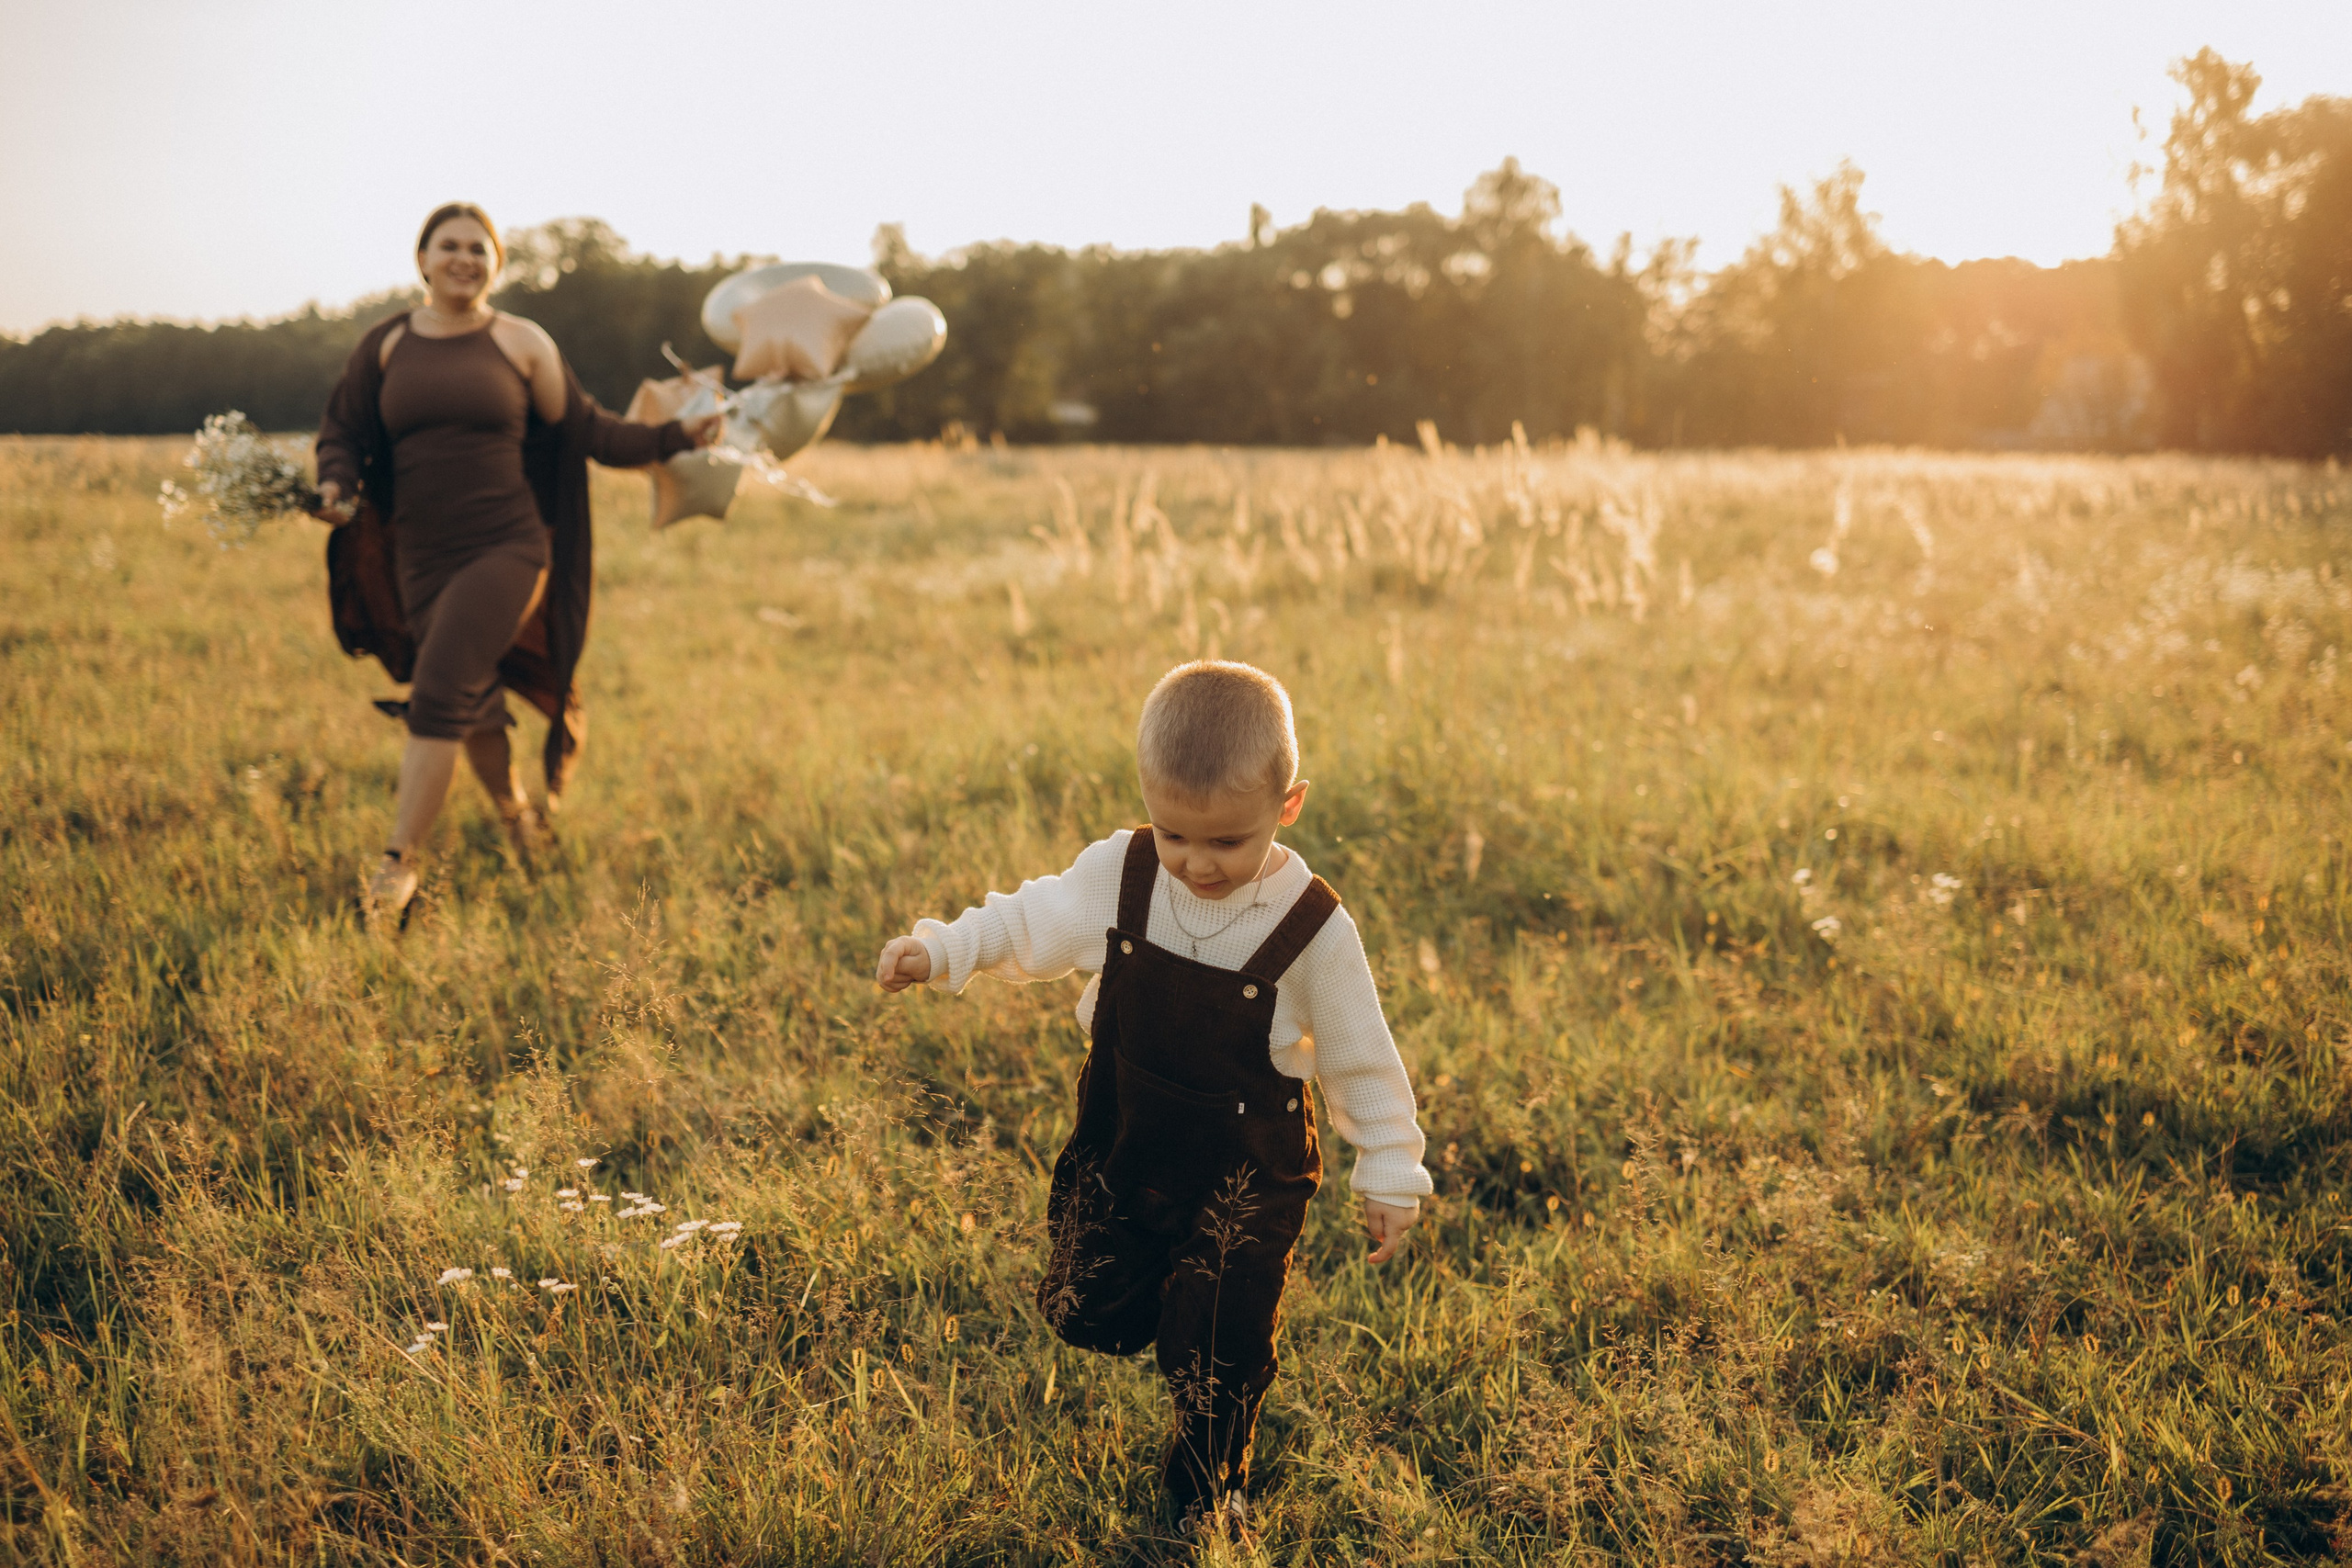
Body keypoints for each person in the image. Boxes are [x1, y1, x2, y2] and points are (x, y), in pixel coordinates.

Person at [874, 660, 1432, 1540]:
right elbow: (1034, 919)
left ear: (1289, 807)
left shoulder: (1311, 925)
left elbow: (1362, 1056)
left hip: (1247, 1170)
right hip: (1128, 1134)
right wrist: (944, 950)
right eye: (1176, 835)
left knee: (1217, 1339)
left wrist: (1391, 1167)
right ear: (1146, 800)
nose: (1197, 864)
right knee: (1082, 1304)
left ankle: (1206, 1492)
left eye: (1227, 843)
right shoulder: (1125, 871)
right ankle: (1154, 1308)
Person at [312, 202, 719, 924]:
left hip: (507, 547)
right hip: (420, 558)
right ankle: (518, 818)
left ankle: (396, 868)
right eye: (449, 246)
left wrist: (677, 436)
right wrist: (335, 486)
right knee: (472, 705)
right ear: (424, 259)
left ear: (496, 262)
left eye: (479, 247)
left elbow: (592, 430)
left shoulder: (522, 342)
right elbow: (343, 429)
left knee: (438, 692)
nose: (464, 257)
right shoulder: (386, 345)